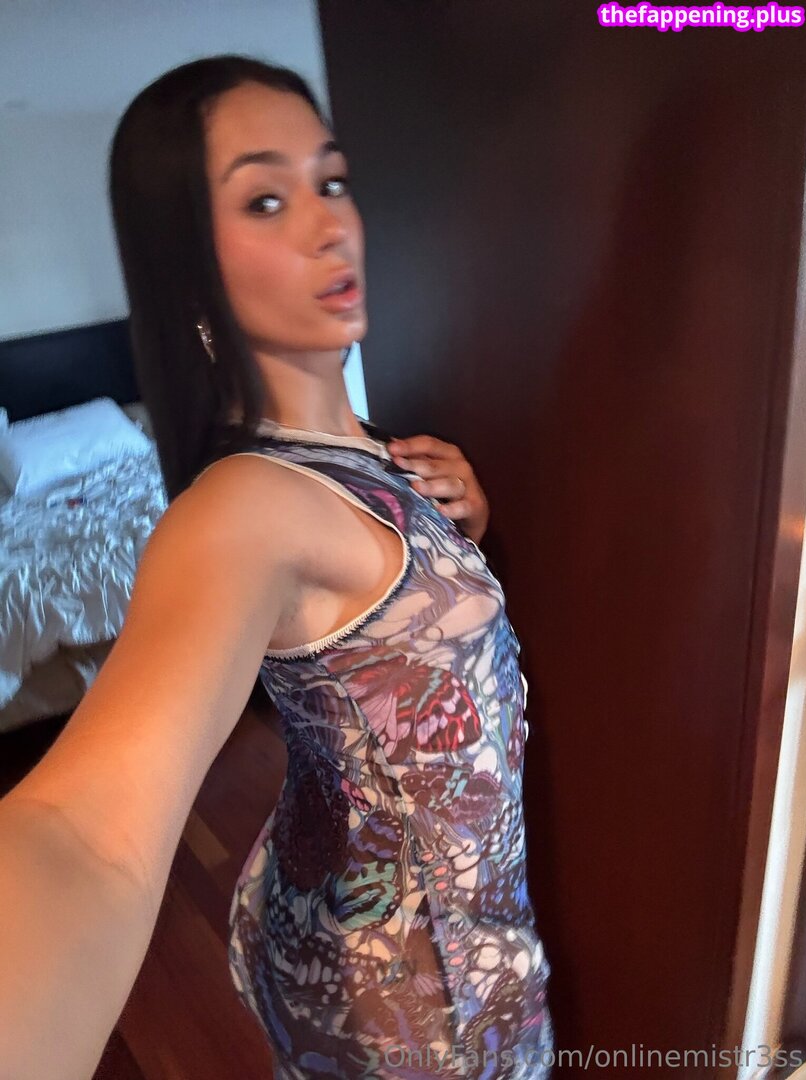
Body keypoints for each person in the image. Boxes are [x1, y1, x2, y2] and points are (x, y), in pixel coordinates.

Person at [0, 54, 554, 1079]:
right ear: (188, 269)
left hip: (434, 923)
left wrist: (462, 531)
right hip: (399, 1003)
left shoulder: (374, 454)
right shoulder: (242, 508)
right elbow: (84, 836)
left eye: (331, 181)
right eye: (266, 199)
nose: (329, 224)